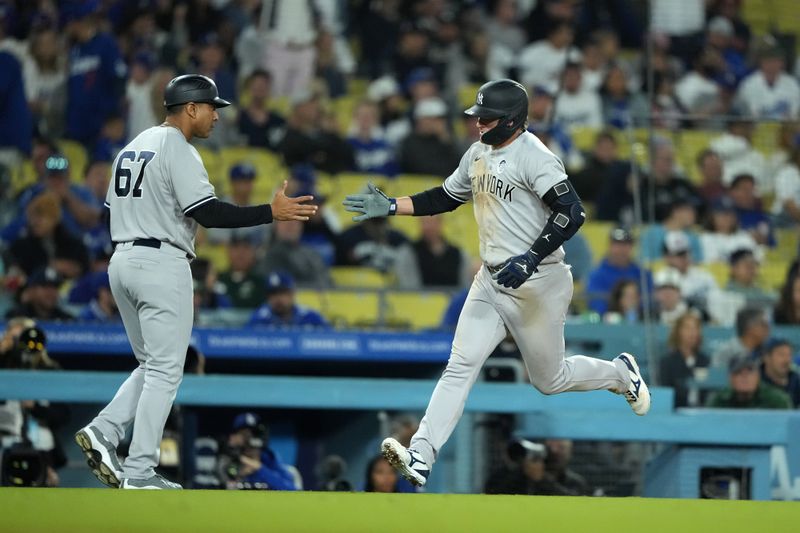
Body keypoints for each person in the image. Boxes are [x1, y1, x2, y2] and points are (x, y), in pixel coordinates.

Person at [343, 79, 650, 488]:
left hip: (538, 281)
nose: (478, 124)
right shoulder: (478, 153)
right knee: (459, 366)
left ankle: (618, 374)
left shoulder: (535, 156)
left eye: (486, 118)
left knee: (549, 380)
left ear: (512, 120)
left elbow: (572, 213)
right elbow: (447, 197)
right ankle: (421, 454)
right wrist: (393, 205)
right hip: (490, 280)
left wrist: (530, 257)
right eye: (477, 116)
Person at [74, 74, 317, 491]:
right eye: (211, 107)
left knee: (153, 365)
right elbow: (208, 212)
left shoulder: (131, 148)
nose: (216, 117)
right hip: (160, 262)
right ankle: (139, 470)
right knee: (168, 369)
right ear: (189, 108)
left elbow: (108, 211)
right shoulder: (177, 147)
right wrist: (268, 213)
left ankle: (105, 431)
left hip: (122, 261)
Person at [585, 227, 652, 315]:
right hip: (607, 324)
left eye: (626, 244)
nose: (621, 249)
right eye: (617, 244)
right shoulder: (597, 275)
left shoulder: (642, 274)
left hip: (638, 322)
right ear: (610, 246)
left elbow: (649, 303)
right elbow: (595, 303)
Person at [658, 312, 710, 408]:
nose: (692, 333)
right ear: (678, 332)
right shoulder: (667, 362)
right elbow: (666, 393)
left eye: (695, 328)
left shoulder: (705, 360)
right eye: (688, 328)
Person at [707, 355, 792, 409]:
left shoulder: (777, 400)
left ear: (757, 377)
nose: (745, 377)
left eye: (750, 372)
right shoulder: (720, 401)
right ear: (731, 378)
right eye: (739, 372)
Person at [248, 271, 328, 328]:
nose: (278, 298)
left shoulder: (310, 316)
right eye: (273, 293)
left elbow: (330, 339)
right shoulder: (259, 318)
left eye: (283, 292)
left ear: (292, 293)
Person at [760, 339, 800, 408]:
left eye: (789, 355)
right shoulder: (754, 380)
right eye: (781, 355)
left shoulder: (796, 380)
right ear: (766, 357)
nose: (787, 360)